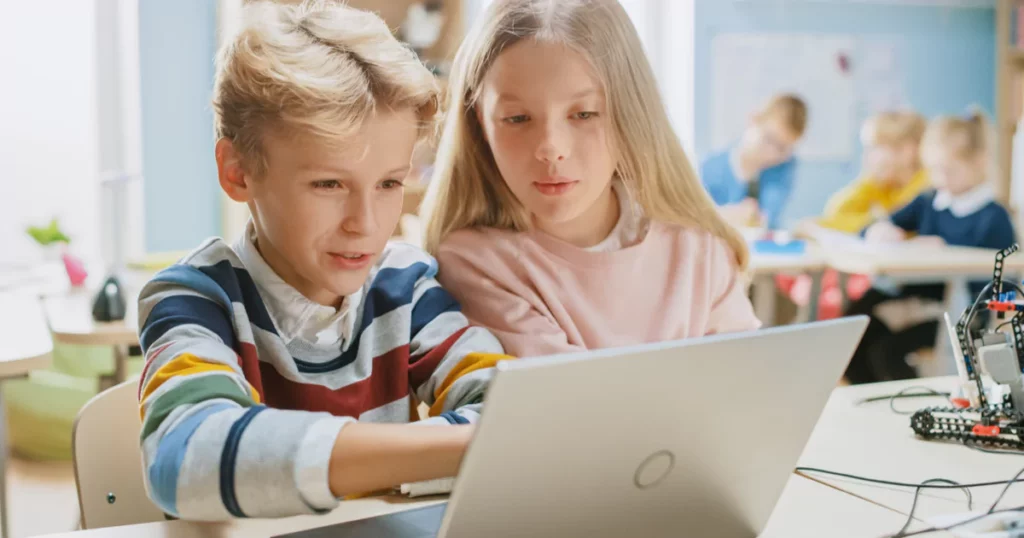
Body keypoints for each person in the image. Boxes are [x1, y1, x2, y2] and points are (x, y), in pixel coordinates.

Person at [136, 1, 509, 520]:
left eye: (388, 184)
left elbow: (506, 411)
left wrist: (479, 440)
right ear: (238, 171)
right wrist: (466, 447)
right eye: (329, 184)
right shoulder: (197, 298)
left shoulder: (406, 285)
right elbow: (186, 457)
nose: (366, 222)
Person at [419, 0, 760, 359]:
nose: (551, 149)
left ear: (630, 115)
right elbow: (578, 408)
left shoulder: (699, 250)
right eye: (517, 118)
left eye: (583, 113)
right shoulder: (475, 264)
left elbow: (750, 387)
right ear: (480, 125)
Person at [844, 110, 1015, 384]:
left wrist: (946, 248)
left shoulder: (992, 217)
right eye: (934, 170)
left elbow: (1005, 285)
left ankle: (910, 407)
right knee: (854, 327)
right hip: (914, 301)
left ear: (979, 162)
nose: (940, 179)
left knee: (885, 352)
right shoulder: (930, 200)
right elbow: (875, 225)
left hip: (960, 314)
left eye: (949, 170)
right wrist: (880, 230)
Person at [700, 94, 808, 230]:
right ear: (754, 120)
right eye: (769, 139)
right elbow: (696, 218)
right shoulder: (709, 168)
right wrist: (723, 215)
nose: (772, 153)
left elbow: (769, 216)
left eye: (782, 148)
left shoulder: (784, 167)